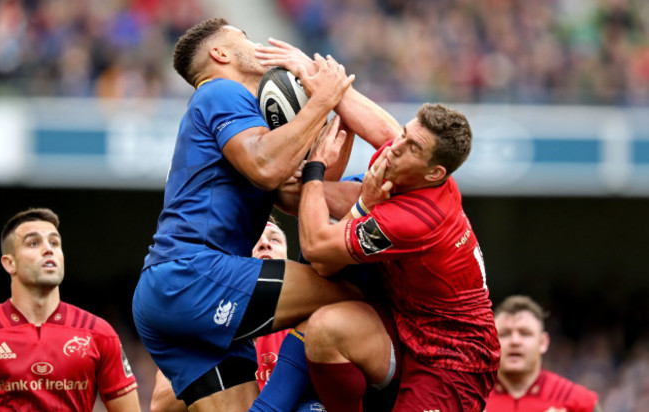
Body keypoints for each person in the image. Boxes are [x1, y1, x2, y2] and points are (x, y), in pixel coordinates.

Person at [131, 17, 368, 412]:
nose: (257, 46)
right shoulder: (219, 91)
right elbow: (266, 166)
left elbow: (297, 195)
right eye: (244, 38)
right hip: (193, 274)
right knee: (355, 299)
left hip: (168, 297)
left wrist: (343, 115)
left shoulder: (243, 121)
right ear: (219, 54)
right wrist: (321, 101)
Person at [293, 102, 501, 412]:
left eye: (412, 146)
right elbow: (384, 129)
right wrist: (330, 88)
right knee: (325, 329)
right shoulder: (409, 166)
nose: (395, 147)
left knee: (313, 204)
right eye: (404, 133)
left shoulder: (415, 220)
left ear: (435, 172)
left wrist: (314, 170)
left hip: (453, 358)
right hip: (406, 322)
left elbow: (317, 250)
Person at [149, 219, 324, 412]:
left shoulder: (305, 323)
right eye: (253, 241)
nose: (265, 244)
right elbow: (160, 406)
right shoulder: (198, 324)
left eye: (275, 240)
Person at [0, 208, 140, 412]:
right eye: (33, 243)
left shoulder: (100, 333)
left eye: (55, 243)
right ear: (9, 263)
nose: (48, 250)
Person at [485, 295, 601, 412]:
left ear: (543, 342)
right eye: (504, 334)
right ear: (490, 342)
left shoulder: (578, 402)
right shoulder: (470, 401)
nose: (515, 341)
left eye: (525, 333)